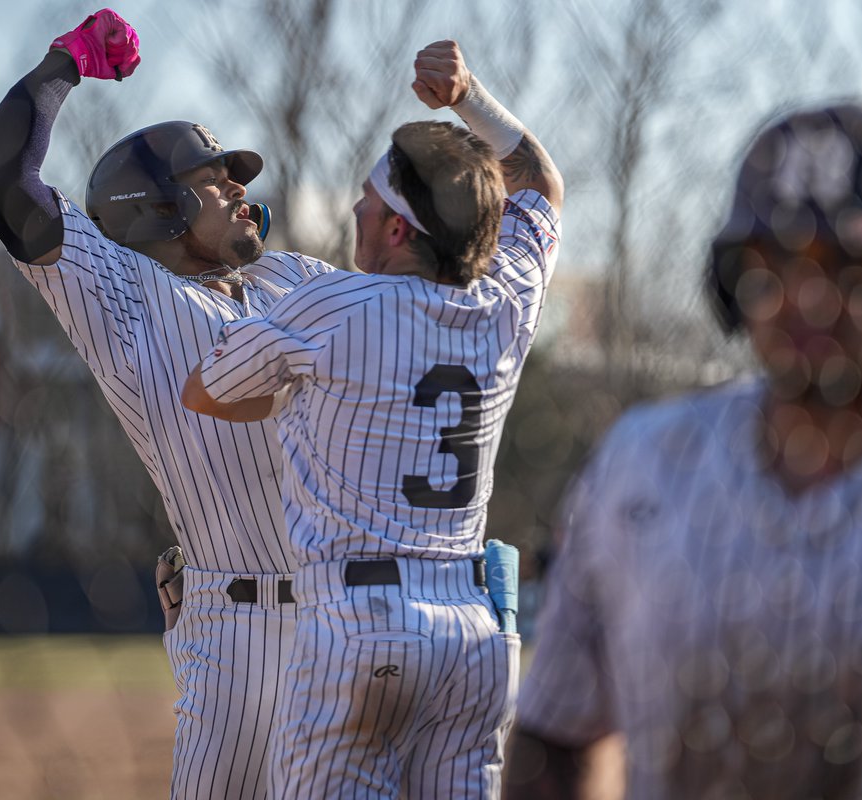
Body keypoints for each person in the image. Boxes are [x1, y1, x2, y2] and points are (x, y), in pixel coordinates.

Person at [506, 103, 862, 799]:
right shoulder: (647, 463)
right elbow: (557, 734)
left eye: (851, 265)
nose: (808, 298)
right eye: (777, 263)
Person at [0, 9, 339, 799]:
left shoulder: (290, 278)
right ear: (156, 206)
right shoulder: (124, 292)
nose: (238, 187)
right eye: (211, 177)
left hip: (342, 621)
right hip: (238, 636)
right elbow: (2, 182)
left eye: (233, 175)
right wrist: (63, 65)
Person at [181, 39, 563, 799]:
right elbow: (542, 184)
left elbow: (205, 391)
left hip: (360, 623)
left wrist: (305, 390)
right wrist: (469, 97)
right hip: (473, 635)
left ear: (397, 230)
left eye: (369, 199)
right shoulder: (505, 301)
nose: (355, 208)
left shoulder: (333, 303)